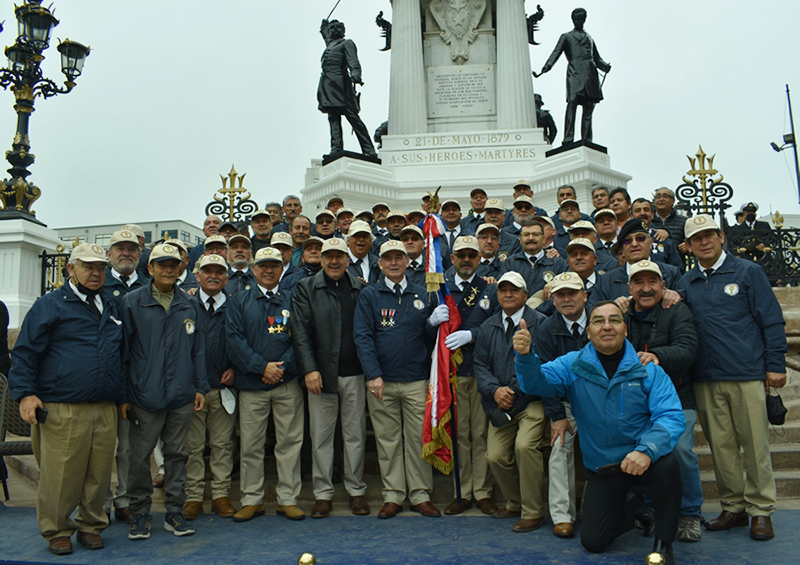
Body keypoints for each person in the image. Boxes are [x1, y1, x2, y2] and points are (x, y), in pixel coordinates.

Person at [515, 301, 685, 564]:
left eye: (614, 320)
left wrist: (646, 450)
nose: (607, 326)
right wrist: (526, 356)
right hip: (604, 467)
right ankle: (634, 505)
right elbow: (536, 383)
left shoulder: (648, 368)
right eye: (598, 321)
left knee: (669, 466)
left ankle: (663, 543)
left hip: (643, 459)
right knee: (594, 542)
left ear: (625, 329)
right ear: (589, 331)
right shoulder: (572, 364)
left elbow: (670, 416)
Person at [9, 243, 124, 555]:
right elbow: (25, 353)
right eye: (88, 266)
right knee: (60, 475)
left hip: (104, 405)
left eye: (100, 267)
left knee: (99, 474)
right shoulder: (50, 305)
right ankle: (57, 529)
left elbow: (121, 355)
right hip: (62, 406)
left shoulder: (110, 305)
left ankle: (91, 525)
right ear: (71, 268)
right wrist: (25, 394)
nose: (95, 273)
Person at [678, 214, 787, 541]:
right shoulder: (686, 282)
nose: (704, 242)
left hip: (746, 373)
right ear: (689, 246)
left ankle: (760, 509)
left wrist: (776, 364)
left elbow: (771, 319)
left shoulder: (747, 272)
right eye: (697, 238)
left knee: (755, 445)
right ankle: (733, 507)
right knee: (721, 447)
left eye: (709, 235)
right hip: (705, 377)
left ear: (721, 236)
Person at [118, 243, 209, 541]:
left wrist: (200, 386)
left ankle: (174, 510)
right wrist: (124, 395)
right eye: (162, 264)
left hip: (181, 394)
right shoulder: (132, 302)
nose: (168, 269)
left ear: (181, 268)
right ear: (150, 268)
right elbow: (123, 351)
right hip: (145, 395)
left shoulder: (189, 302)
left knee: (177, 455)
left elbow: (198, 350)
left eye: (173, 265)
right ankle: (140, 512)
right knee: (139, 457)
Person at [353, 240, 439, 519]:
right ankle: (393, 494)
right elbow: (363, 336)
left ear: (407, 262)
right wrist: (373, 374)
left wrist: (432, 324)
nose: (393, 263)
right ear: (379, 263)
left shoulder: (423, 294)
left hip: (416, 379)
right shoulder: (369, 295)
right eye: (387, 258)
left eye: (398, 258)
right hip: (383, 381)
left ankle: (420, 494)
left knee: (417, 440)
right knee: (388, 440)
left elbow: (430, 338)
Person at [623, 260, 703, 542]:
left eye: (652, 282)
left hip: (678, 398)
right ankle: (646, 508)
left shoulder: (677, 310)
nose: (646, 289)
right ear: (629, 288)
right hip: (636, 401)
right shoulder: (622, 314)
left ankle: (690, 512)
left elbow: (688, 349)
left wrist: (657, 356)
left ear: (663, 285)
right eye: (639, 283)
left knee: (680, 451)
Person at [291, 238, 371, 518]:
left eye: (339, 256)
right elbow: (300, 332)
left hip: (355, 373)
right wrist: (309, 369)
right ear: (321, 260)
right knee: (321, 438)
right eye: (329, 256)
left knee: (355, 436)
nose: (334, 261)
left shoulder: (361, 288)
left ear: (348, 260)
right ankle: (323, 494)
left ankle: (356, 491)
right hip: (321, 375)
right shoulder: (306, 288)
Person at [226, 247, 305, 522]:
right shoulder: (239, 300)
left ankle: (288, 499)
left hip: (287, 383)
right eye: (263, 266)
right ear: (254, 270)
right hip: (252, 385)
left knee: (290, 443)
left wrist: (280, 368)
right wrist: (261, 367)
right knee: (251, 445)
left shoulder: (293, 299)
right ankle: (252, 500)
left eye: (274, 265)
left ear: (282, 269)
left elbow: (302, 337)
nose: (269, 270)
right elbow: (234, 339)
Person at [474, 271, 547, 533]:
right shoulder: (488, 326)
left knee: (524, 447)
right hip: (500, 404)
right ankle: (515, 502)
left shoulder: (540, 323)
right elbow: (480, 365)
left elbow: (542, 363)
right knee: (494, 456)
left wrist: (512, 391)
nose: (508, 294)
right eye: (503, 290)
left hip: (531, 401)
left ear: (525, 295)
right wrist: (495, 391)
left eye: (514, 290)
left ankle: (532, 511)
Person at [441, 236, 499, 516]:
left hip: (481, 371)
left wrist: (472, 334)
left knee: (480, 433)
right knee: (460, 435)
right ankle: (462, 492)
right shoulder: (441, 290)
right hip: (451, 373)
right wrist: (431, 322)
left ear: (479, 259)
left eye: (471, 255)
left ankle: (483, 491)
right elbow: (428, 331)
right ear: (452, 259)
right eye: (461, 255)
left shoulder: (490, 289)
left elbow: (496, 325)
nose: (466, 260)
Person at [181, 254, 237, 522]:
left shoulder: (235, 306)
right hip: (193, 390)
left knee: (222, 445)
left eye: (219, 272)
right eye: (207, 271)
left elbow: (244, 340)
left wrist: (236, 368)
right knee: (192, 447)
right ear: (197, 276)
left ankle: (220, 495)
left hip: (224, 388)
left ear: (226, 278)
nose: (213, 276)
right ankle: (193, 497)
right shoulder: (186, 305)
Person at [538, 8, 611, 144]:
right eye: (576, 19)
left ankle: (587, 139)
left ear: (584, 20)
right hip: (574, 73)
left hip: (590, 74)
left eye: (580, 19)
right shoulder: (566, 37)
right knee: (572, 102)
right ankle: (568, 137)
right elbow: (556, 52)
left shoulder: (590, 38)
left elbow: (597, 58)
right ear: (572, 20)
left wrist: (605, 66)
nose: (578, 22)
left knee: (589, 107)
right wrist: (547, 66)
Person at [317, 19, 377, 158]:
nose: (334, 29)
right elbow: (325, 34)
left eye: (338, 27)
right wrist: (324, 26)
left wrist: (356, 75)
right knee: (333, 117)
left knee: (352, 116)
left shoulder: (346, 43)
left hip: (341, 83)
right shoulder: (330, 44)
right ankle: (336, 148)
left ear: (343, 30)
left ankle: (368, 149)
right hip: (327, 83)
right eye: (332, 28)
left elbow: (353, 61)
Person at [502, 220, 568, 297]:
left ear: (543, 238)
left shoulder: (558, 263)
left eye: (536, 234)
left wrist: (557, 282)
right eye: (526, 235)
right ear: (520, 239)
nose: (531, 238)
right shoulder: (510, 263)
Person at [651, 187, 688, 254]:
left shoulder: (683, 221)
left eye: (665, 196)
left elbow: (693, 242)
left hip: (676, 259)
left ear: (673, 201)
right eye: (658, 197)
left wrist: (688, 245)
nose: (661, 199)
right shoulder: (648, 221)